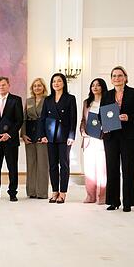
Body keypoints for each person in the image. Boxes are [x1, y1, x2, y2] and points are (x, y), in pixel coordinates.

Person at [102, 66, 134, 212]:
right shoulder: (107, 95)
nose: (117, 78)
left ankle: (128, 202)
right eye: (114, 76)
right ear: (111, 79)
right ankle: (113, 201)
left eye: (120, 75)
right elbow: (102, 114)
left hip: (129, 136)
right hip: (111, 137)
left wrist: (129, 117)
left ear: (125, 77)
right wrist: (103, 125)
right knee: (112, 169)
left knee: (128, 169)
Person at [38, 73, 77, 204]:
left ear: (64, 83)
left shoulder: (70, 98)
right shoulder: (48, 99)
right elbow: (42, 118)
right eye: (54, 81)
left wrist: (72, 136)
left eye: (59, 81)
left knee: (64, 165)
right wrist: (42, 135)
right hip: (50, 135)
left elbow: (73, 119)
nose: (56, 83)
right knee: (53, 165)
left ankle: (63, 193)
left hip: (65, 136)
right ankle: (54, 191)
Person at [80, 78, 108, 205]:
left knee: (102, 170)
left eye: (98, 85)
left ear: (103, 87)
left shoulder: (107, 101)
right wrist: (82, 132)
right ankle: (90, 196)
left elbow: (110, 119)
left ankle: (102, 196)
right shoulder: (87, 103)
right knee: (90, 170)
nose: (95, 87)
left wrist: (105, 129)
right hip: (89, 140)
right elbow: (83, 121)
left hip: (102, 140)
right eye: (93, 85)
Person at [20, 78, 49, 199]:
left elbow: (49, 119)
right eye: (35, 86)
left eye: (39, 86)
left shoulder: (48, 100)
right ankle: (31, 191)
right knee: (31, 163)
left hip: (42, 134)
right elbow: (24, 118)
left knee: (42, 164)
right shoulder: (29, 100)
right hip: (30, 134)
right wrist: (23, 134)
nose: (37, 88)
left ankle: (42, 192)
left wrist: (47, 135)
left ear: (43, 87)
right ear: (32, 88)